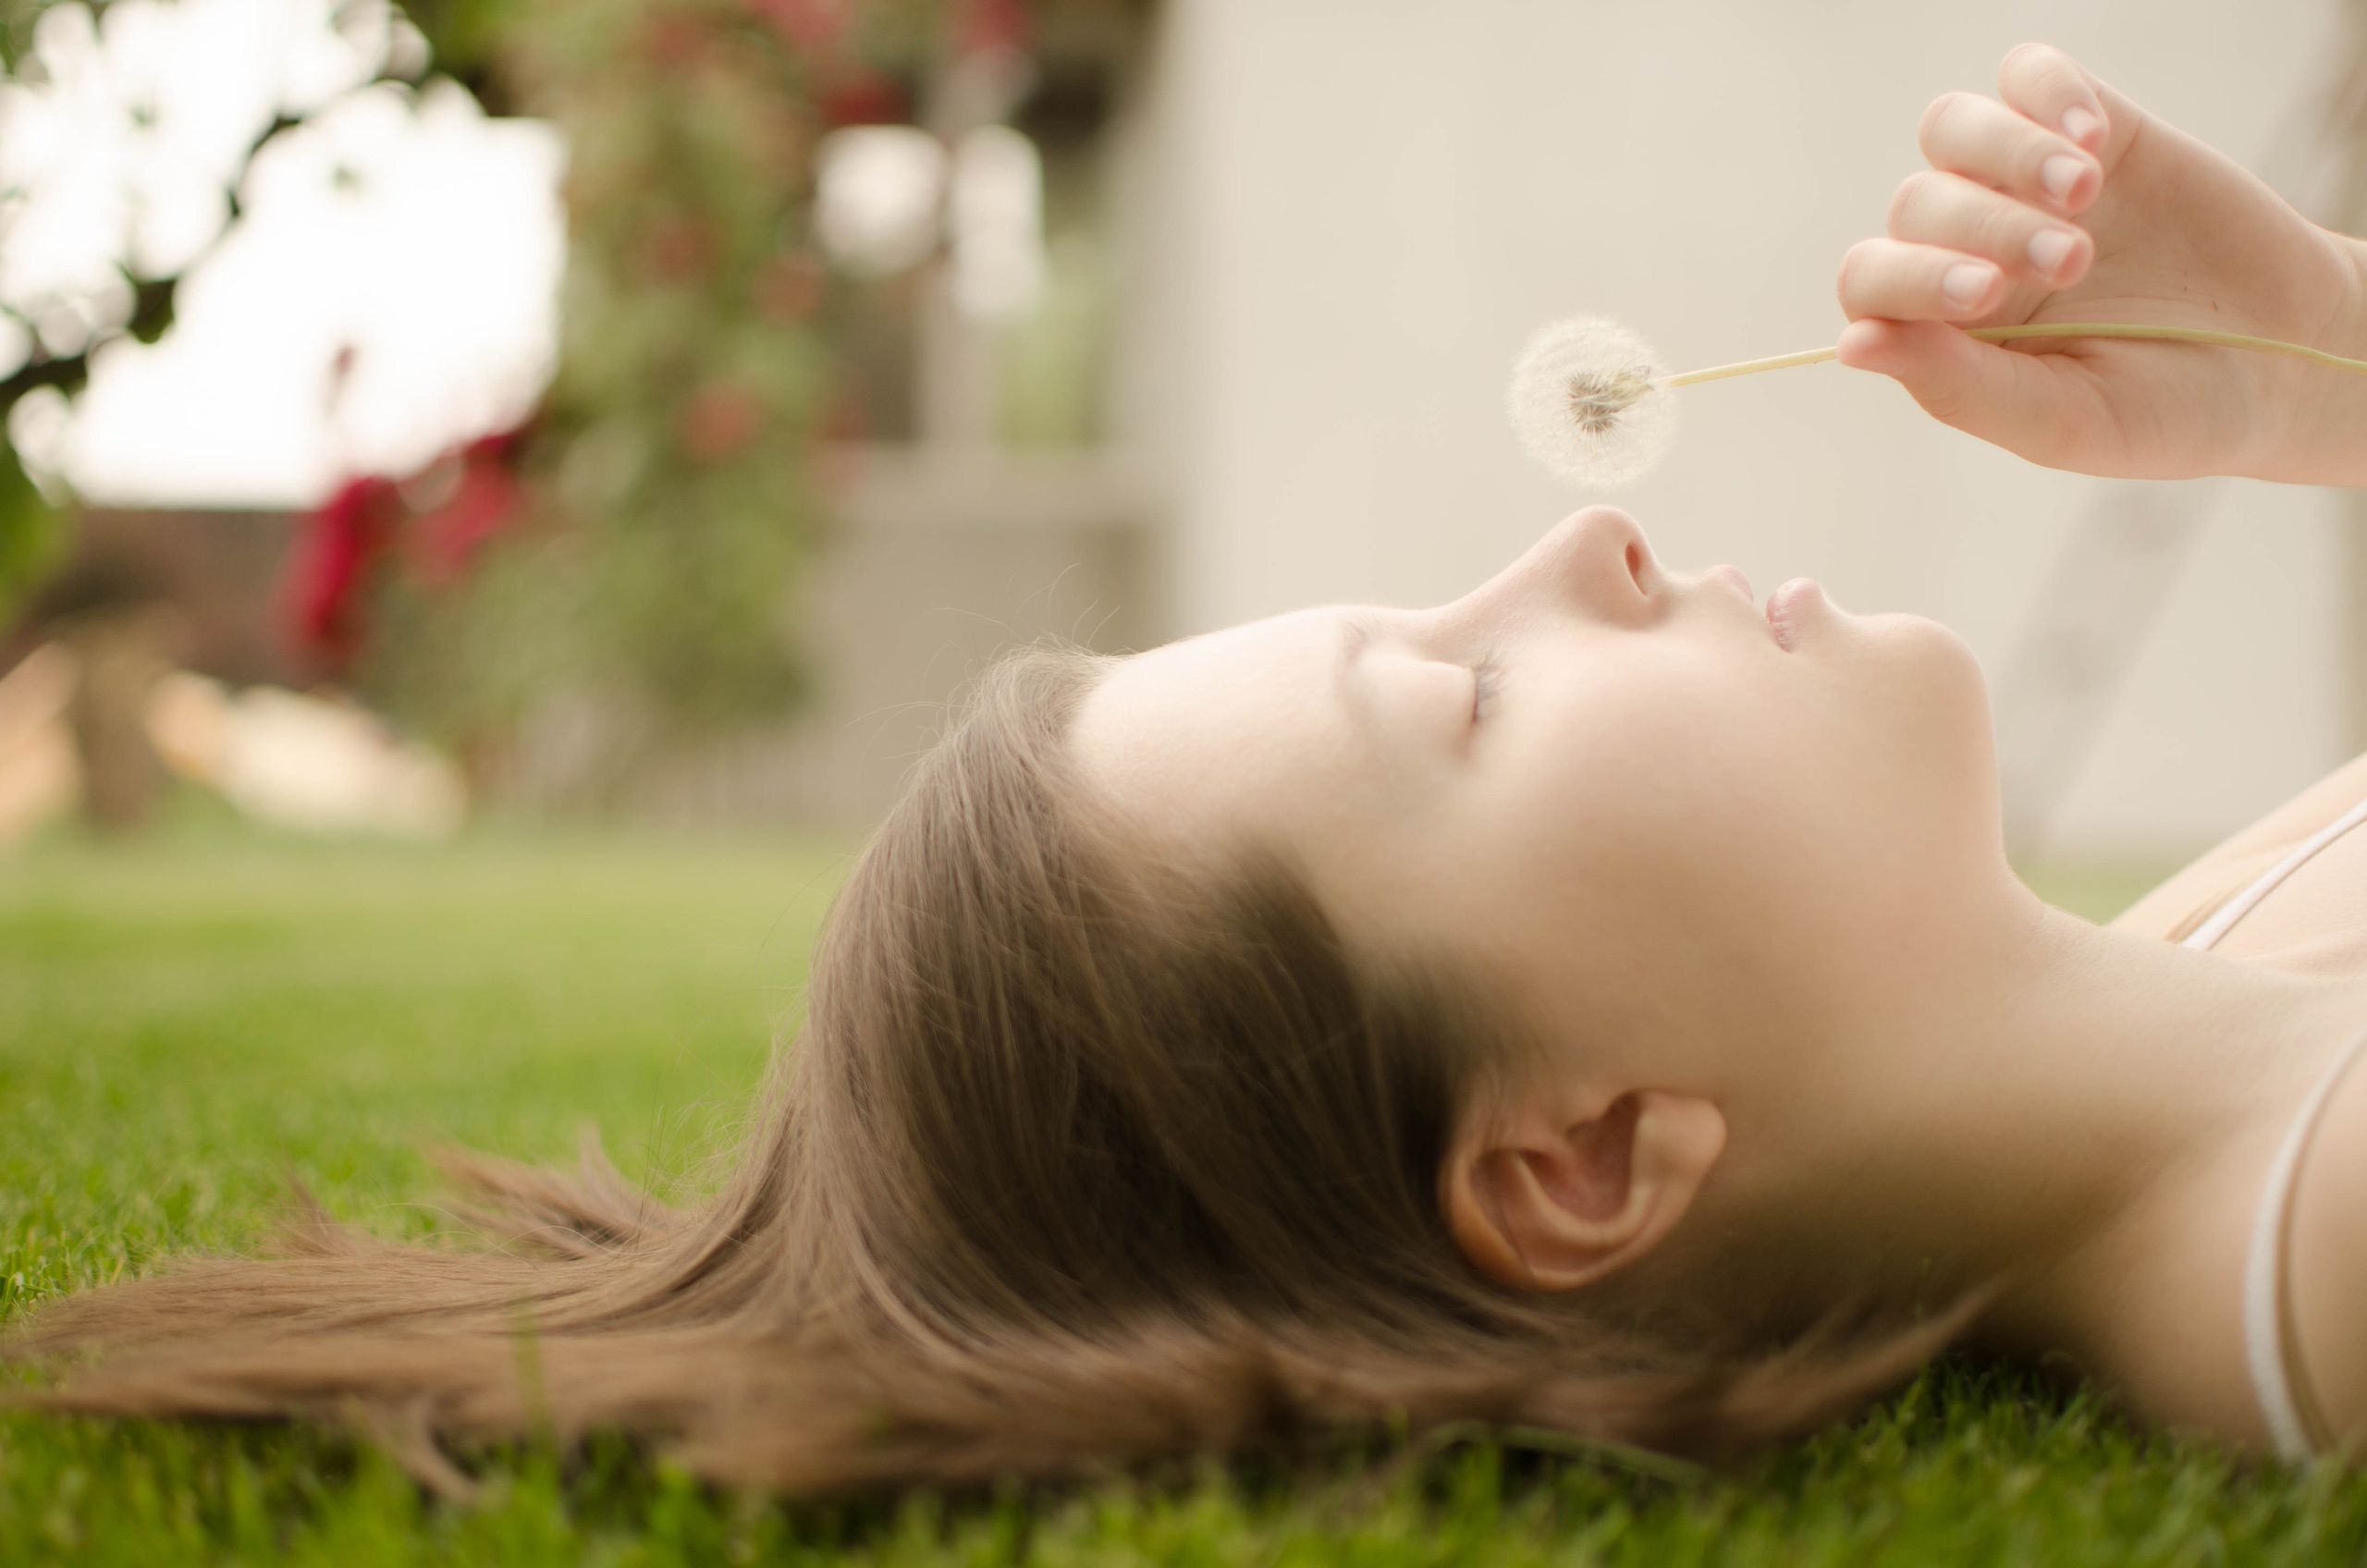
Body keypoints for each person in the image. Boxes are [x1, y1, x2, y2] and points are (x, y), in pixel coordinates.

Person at [10, 43, 2367, 1485]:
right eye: (1461, 700)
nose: (1576, 542)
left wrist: (2299, 373)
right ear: (1568, 1160)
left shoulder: (2214, 963)